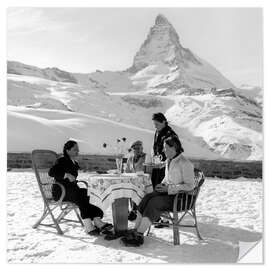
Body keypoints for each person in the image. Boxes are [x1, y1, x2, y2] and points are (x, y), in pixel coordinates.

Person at [120, 136, 195, 247]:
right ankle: (135, 229)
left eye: (165, 148)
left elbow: (190, 186)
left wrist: (169, 188)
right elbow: (168, 178)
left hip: (181, 198)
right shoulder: (169, 160)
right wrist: (163, 184)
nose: (163, 150)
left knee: (154, 202)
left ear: (173, 147)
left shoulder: (185, 163)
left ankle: (139, 234)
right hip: (170, 193)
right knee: (147, 197)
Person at [48, 140, 113, 236]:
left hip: (71, 190)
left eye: (78, 149)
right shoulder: (61, 160)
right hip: (60, 192)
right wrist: (66, 175)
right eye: (75, 149)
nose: (77, 151)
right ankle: (88, 225)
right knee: (80, 195)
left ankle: (97, 220)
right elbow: (51, 172)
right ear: (67, 150)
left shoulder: (73, 162)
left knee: (89, 193)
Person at [151, 112, 179, 228]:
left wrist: (165, 162)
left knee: (162, 191)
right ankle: (158, 216)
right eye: (154, 124)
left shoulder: (170, 134)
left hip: (167, 166)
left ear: (163, 122)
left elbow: (175, 151)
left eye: (157, 124)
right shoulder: (158, 132)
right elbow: (156, 147)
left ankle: (165, 219)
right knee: (154, 188)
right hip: (158, 166)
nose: (155, 126)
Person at [126, 140, 146, 221]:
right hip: (133, 182)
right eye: (136, 148)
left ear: (142, 148)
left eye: (140, 148)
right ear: (133, 150)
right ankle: (128, 210)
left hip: (144, 182)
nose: (138, 150)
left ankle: (135, 210)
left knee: (136, 187)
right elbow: (126, 172)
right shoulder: (130, 159)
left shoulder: (146, 157)